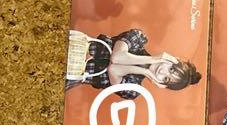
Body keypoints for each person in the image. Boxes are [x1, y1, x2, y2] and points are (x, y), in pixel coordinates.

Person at [66, 28, 201, 94]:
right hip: (74, 46)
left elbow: (113, 69)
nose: (162, 72)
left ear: (161, 84)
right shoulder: (139, 38)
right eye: (170, 69)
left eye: (166, 78)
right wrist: (153, 59)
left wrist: (145, 71)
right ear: (170, 59)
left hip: (71, 76)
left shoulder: (133, 90)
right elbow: (117, 57)